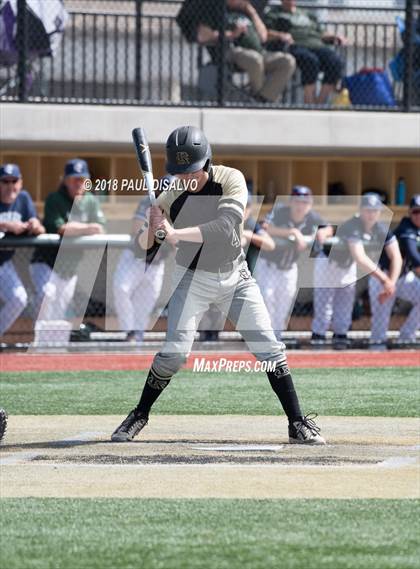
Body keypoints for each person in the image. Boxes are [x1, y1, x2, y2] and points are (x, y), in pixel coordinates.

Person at [112, 125, 325, 445]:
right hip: (192, 278)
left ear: (206, 162)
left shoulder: (230, 179)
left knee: (268, 346)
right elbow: (147, 246)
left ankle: (297, 422)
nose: (187, 178)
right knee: (174, 355)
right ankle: (139, 414)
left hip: (234, 276)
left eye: (192, 171)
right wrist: (153, 225)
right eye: (180, 172)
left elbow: (227, 227)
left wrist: (174, 234)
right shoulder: (171, 194)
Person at [311, 193, 402, 350]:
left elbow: (397, 257)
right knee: (324, 312)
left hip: (347, 266)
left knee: (344, 311)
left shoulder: (380, 228)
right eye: (367, 210)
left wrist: (391, 283)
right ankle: (317, 346)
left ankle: (340, 345)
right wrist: (384, 280)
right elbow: (360, 258)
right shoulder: (352, 225)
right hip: (328, 264)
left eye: (375, 210)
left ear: (380, 212)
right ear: (360, 210)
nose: (371, 213)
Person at [30, 159, 106, 323]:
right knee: (46, 295)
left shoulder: (91, 200)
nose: (78, 183)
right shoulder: (55, 199)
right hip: (46, 262)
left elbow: (100, 228)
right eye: (74, 179)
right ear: (65, 180)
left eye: (82, 179)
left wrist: (77, 228)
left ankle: (53, 345)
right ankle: (38, 341)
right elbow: (62, 229)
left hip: (70, 267)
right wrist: (87, 228)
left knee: (60, 308)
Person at [255, 186, 332, 339]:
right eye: (297, 201)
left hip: (289, 268)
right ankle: (263, 337)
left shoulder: (312, 217)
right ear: (291, 202)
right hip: (268, 266)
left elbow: (328, 228)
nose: (301, 206)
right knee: (266, 300)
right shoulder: (280, 212)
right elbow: (265, 227)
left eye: (305, 202)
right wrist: (293, 232)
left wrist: (323, 232)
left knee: (284, 306)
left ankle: (275, 338)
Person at [196, 0, 296, 103]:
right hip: (232, 51)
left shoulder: (247, 12)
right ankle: (260, 100)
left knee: (287, 61)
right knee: (254, 58)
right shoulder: (216, 11)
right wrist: (232, 34)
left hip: (260, 53)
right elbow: (203, 36)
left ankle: (262, 98)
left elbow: (263, 37)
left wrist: (253, 13)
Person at [113, 182, 173, 343]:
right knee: (121, 289)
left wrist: (161, 229)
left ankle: (136, 335)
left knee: (146, 303)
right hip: (135, 259)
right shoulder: (148, 201)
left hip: (156, 264)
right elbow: (136, 228)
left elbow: (176, 239)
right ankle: (129, 331)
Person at [264, 0, 346, 104]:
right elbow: (265, 32)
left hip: (317, 44)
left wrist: (334, 36)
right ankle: (309, 101)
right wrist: (280, 35)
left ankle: (320, 102)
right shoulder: (274, 13)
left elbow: (321, 33)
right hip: (295, 45)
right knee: (310, 60)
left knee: (335, 61)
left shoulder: (307, 14)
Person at [0, 163, 45, 338]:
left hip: (3, 264)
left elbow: (39, 227)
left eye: (14, 181)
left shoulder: (23, 198)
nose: (10, 186)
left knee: (19, 298)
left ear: (20, 182)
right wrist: (5, 225)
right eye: (5, 181)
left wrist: (35, 225)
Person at [369, 195, 420, 348]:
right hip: (384, 277)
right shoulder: (406, 228)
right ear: (410, 213)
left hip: (404, 278)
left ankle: (406, 336)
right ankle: (376, 352)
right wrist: (388, 282)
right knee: (380, 324)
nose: (419, 215)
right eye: (416, 211)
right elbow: (414, 257)